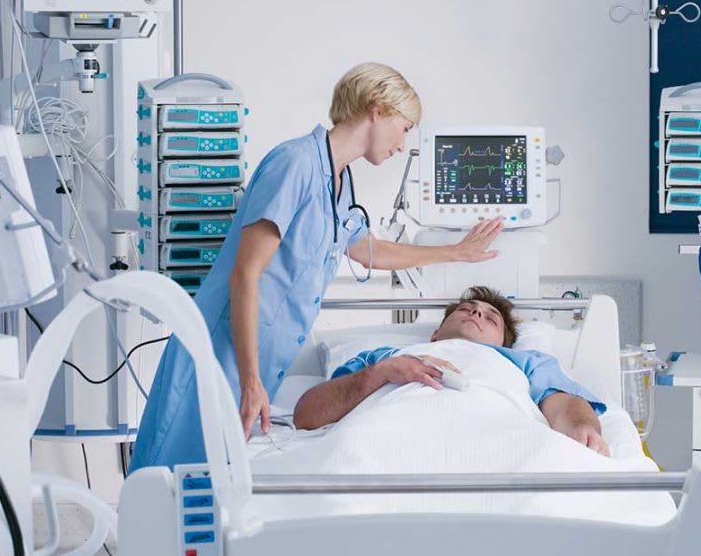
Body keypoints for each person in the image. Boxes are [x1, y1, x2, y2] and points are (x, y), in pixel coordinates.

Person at [130, 63, 502, 471]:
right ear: (377, 109)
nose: (403, 142)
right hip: (221, 351)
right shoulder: (295, 164)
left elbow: (366, 250)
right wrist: (251, 380)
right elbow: (246, 274)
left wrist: (456, 252)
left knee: (213, 484)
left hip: (256, 359)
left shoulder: (338, 182)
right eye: (406, 126)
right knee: (170, 472)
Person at [293, 286, 610, 456]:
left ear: (504, 343)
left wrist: (582, 429)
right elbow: (306, 415)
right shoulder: (384, 357)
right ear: (434, 334)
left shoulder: (525, 362)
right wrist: (380, 373)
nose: (476, 312)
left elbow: (563, 404)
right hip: (381, 439)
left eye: (491, 317)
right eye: (466, 309)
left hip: (500, 438)